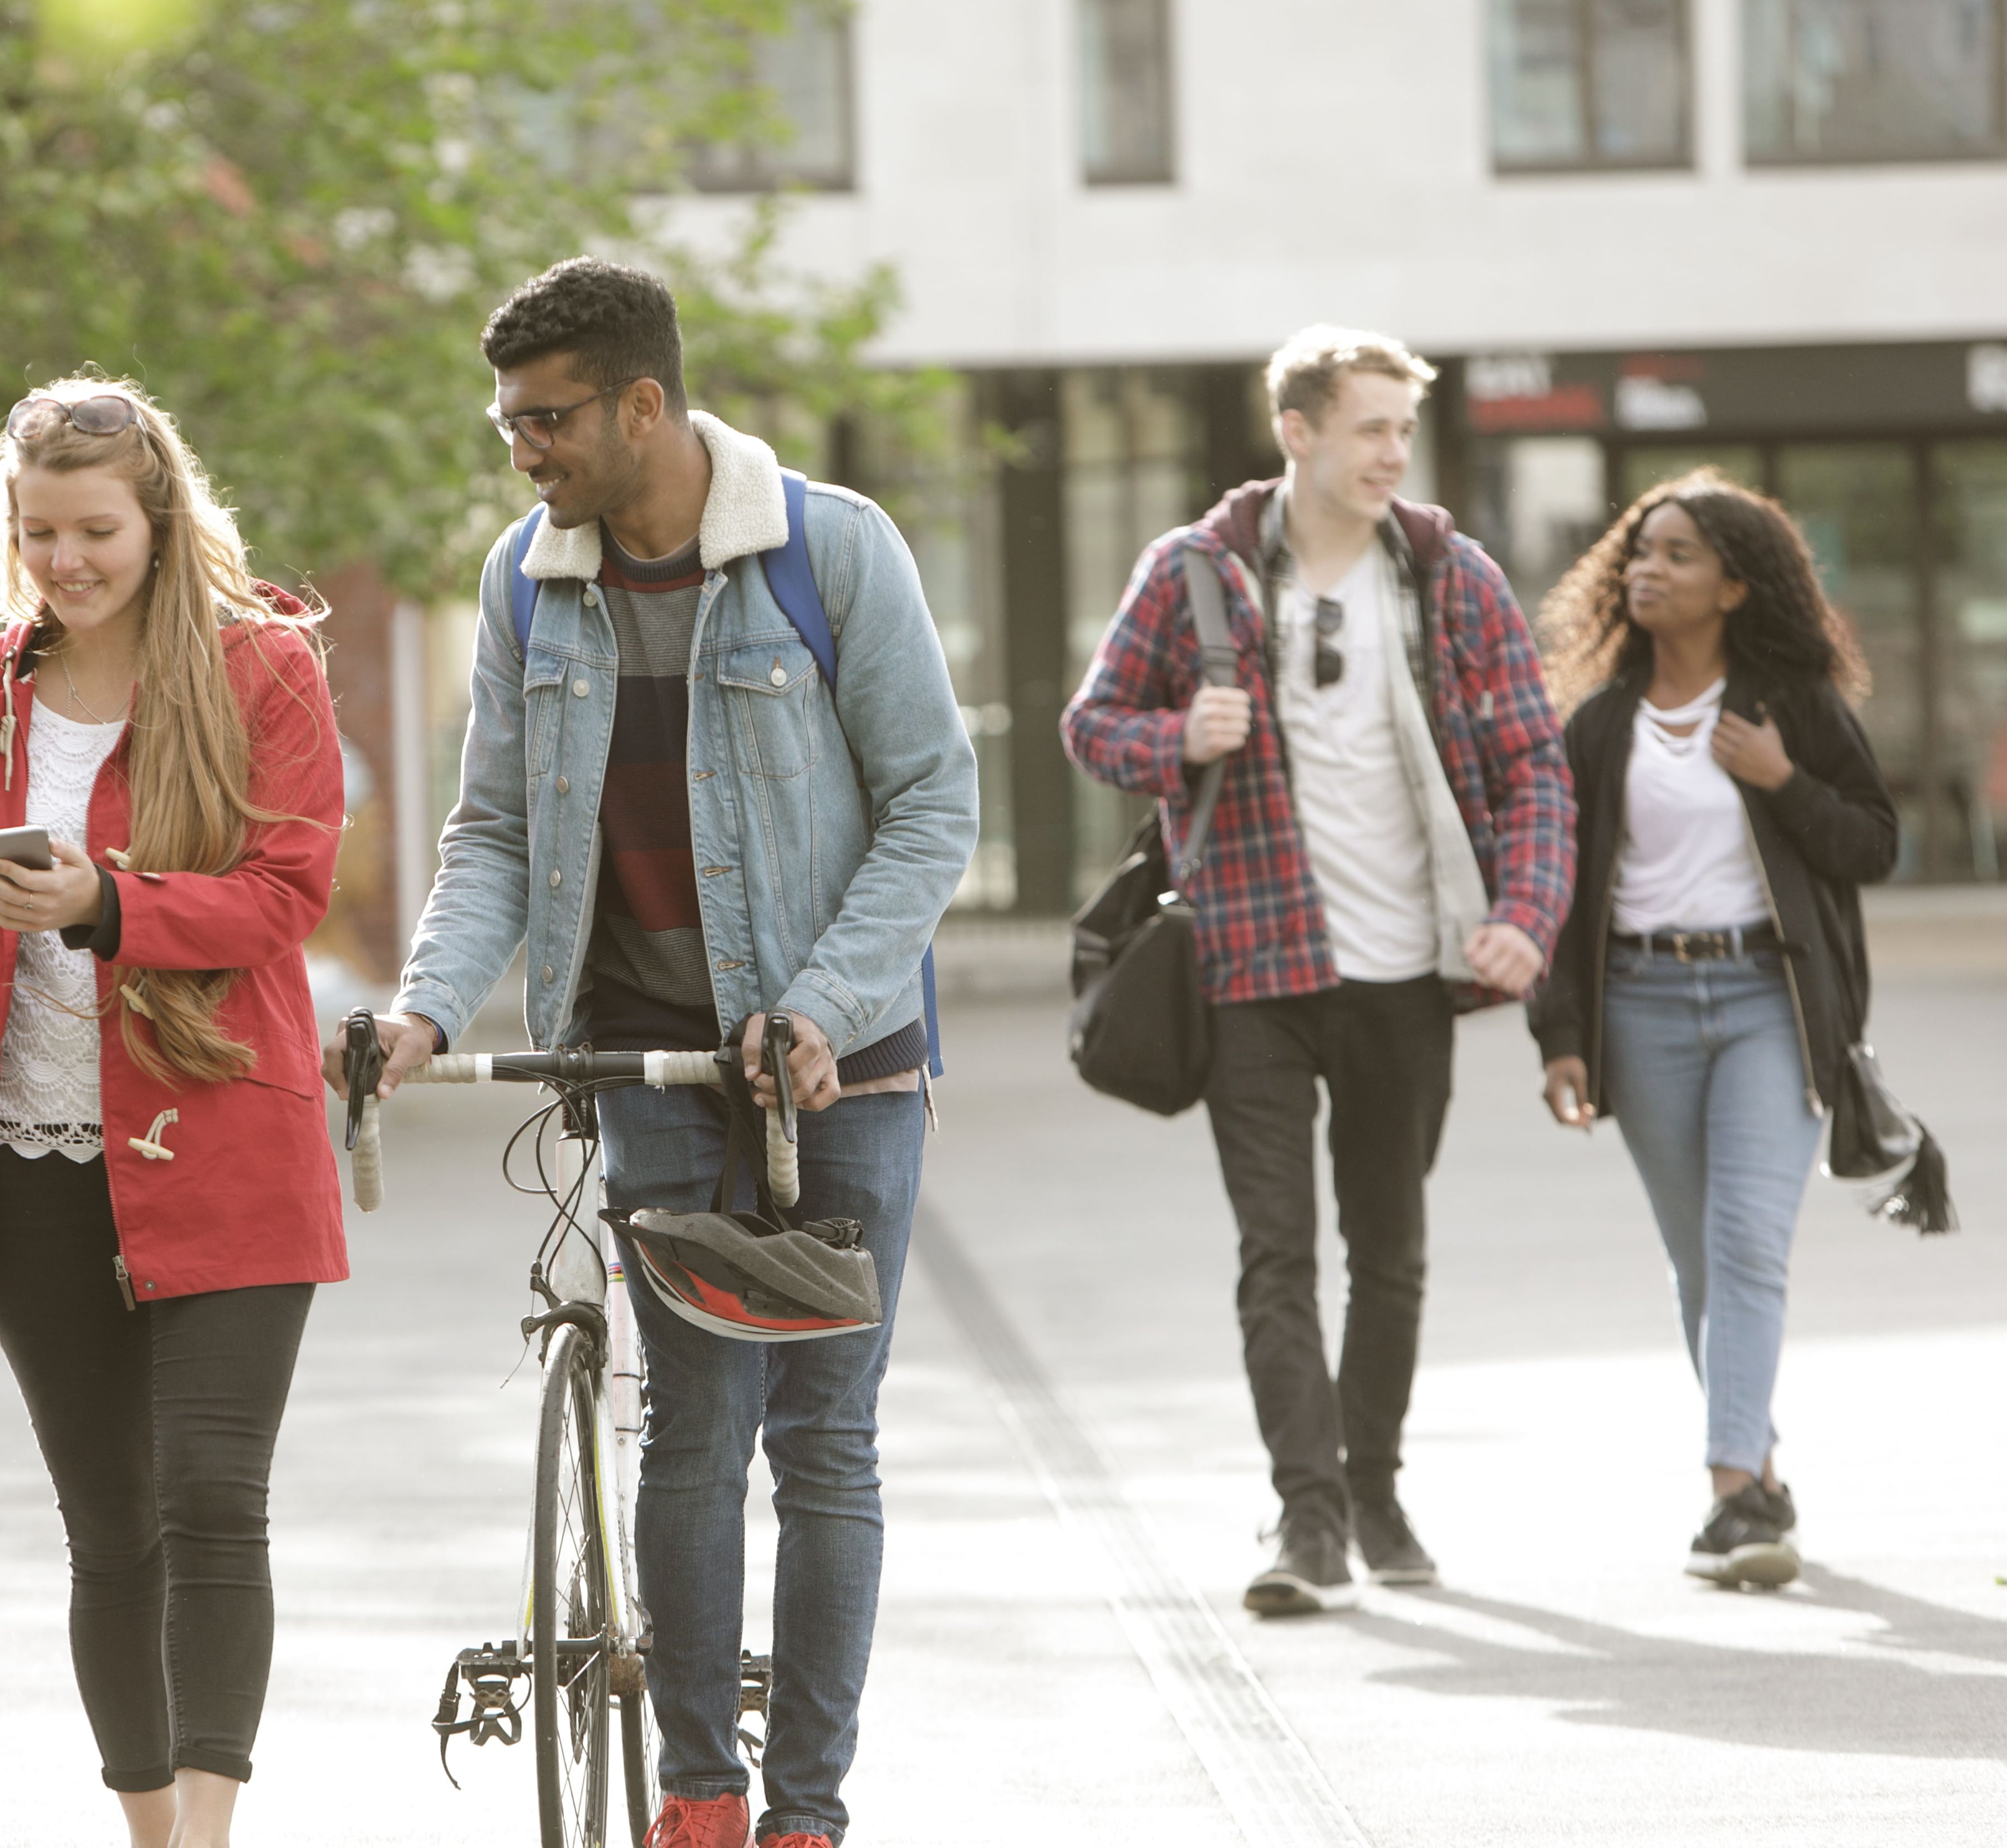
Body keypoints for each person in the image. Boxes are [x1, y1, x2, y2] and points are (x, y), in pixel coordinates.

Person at [328, 258, 977, 1848]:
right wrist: (424, 1006)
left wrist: (820, 997)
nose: (522, 451)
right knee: (693, 1421)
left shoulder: (833, 551)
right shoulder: (523, 581)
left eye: (546, 420)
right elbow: (491, 830)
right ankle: (698, 1791)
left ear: (642, 404)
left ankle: (806, 1812)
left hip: (848, 1065)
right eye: (506, 424)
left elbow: (933, 805)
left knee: (826, 1435)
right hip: (651, 1064)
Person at [0, 376, 344, 1848]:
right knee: (109, 1524)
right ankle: (151, 1829)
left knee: (214, 1491)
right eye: (39, 532)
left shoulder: (265, 668)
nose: (67, 560)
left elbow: (287, 897)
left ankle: (206, 1832)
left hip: (227, 1143)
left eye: (95, 529)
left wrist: (106, 905)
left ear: (159, 518)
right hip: (25, 1161)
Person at [1062, 326, 1576, 1616]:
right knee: (1275, 1254)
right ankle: (1306, 1515)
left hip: (1408, 967)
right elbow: (1090, 724)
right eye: (1369, 428)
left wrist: (1525, 912)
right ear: (1296, 430)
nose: (1391, 453)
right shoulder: (1193, 573)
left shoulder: (1448, 577)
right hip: (1254, 962)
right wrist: (1178, 733)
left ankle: (1375, 1482)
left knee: (1389, 1249)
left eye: (1403, 430)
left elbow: (1533, 767)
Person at [1529, 470, 1896, 1589]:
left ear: (1736, 585)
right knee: (1698, 1263)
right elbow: (1560, 887)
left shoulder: (1788, 707)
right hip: (1638, 1005)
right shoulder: (1596, 727)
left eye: (1678, 554)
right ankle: (1765, 1474)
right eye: (1638, 552)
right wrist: (1560, 1035)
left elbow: (1873, 843)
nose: (1648, 568)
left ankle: (1731, 1490)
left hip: (1765, 1003)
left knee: (1745, 1246)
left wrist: (1783, 781)